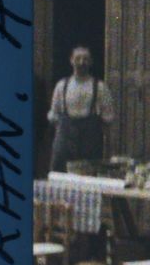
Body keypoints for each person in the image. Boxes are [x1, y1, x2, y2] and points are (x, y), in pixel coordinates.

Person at [47, 46, 115, 174]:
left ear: (91, 62)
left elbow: (108, 117)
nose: (81, 62)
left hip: (89, 141)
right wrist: (64, 131)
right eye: (78, 58)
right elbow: (53, 115)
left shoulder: (100, 87)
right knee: (59, 175)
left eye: (85, 59)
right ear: (71, 61)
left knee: (89, 176)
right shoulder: (61, 86)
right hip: (65, 140)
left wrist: (105, 143)